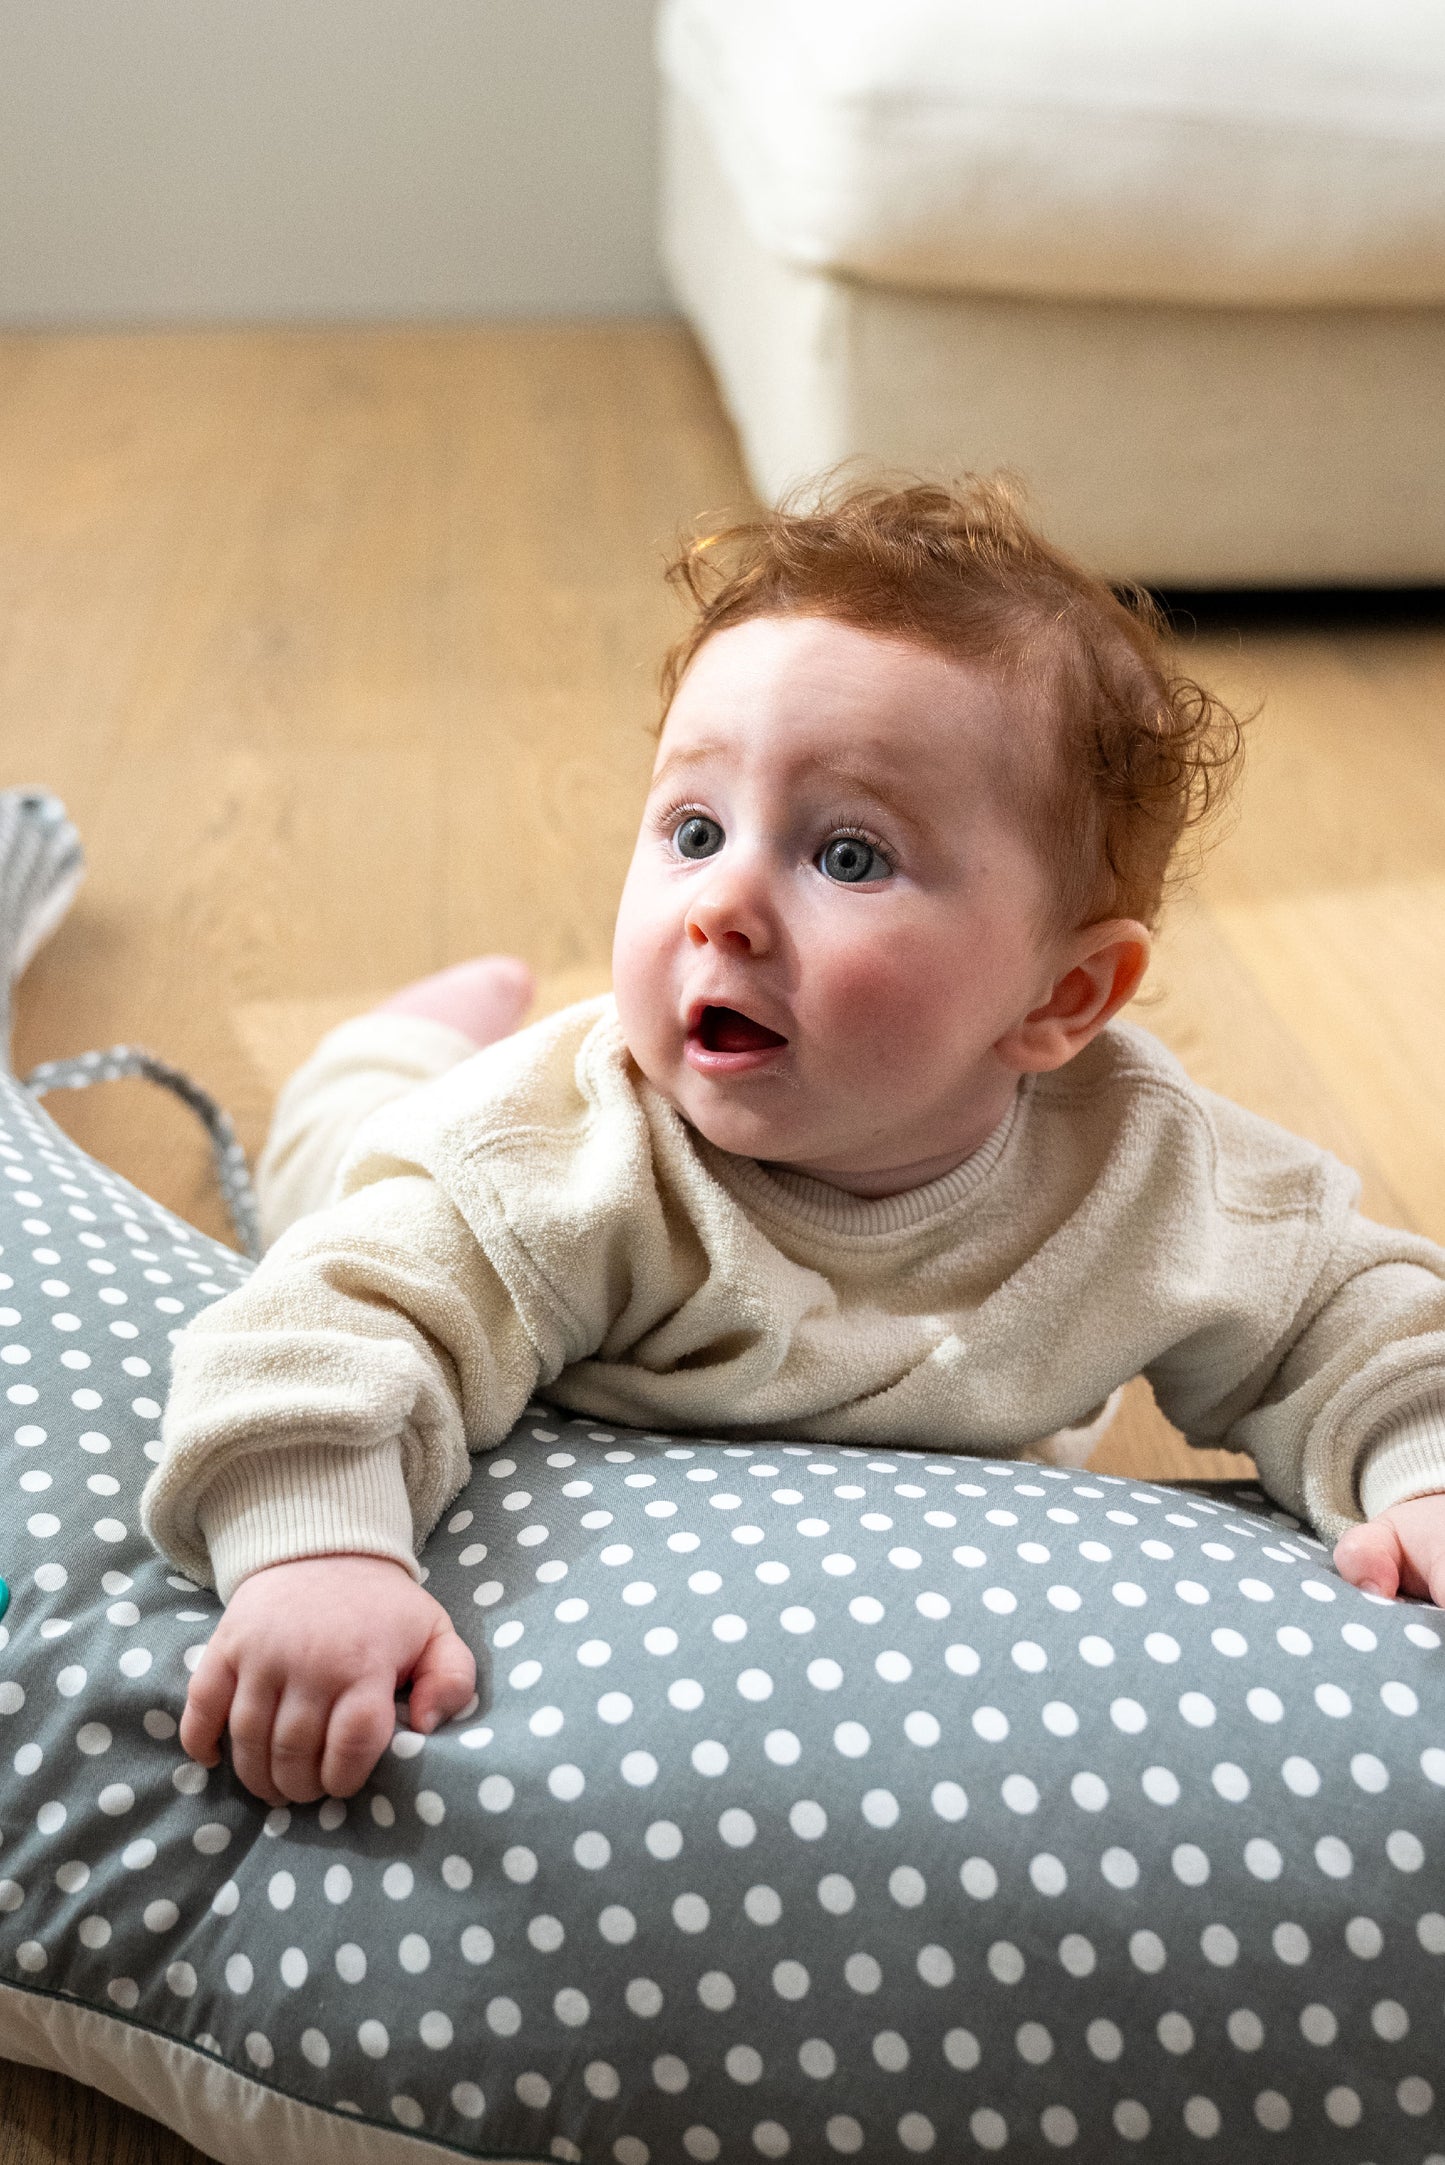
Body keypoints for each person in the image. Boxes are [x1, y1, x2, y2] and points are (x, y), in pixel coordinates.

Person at [140, 477, 1445, 1809]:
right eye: (694, 829)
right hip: (431, 1174)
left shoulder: (1140, 1171)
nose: (722, 905)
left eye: (849, 856)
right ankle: (386, 1046)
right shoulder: (553, 1155)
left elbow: (1350, 1312)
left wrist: (1423, 1476)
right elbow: (320, 1325)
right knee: (346, 1148)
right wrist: (321, 1556)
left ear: (1060, 998)